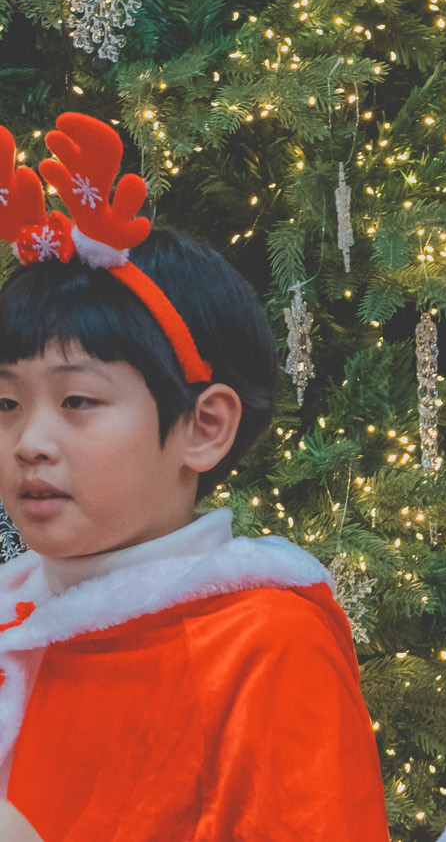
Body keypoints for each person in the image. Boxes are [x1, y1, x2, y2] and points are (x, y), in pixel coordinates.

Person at [0, 114, 387, 835]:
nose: (30, 442)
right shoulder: (13, 618)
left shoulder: (263, 645)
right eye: (6, 404)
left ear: (203, 427)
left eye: (78, 401)